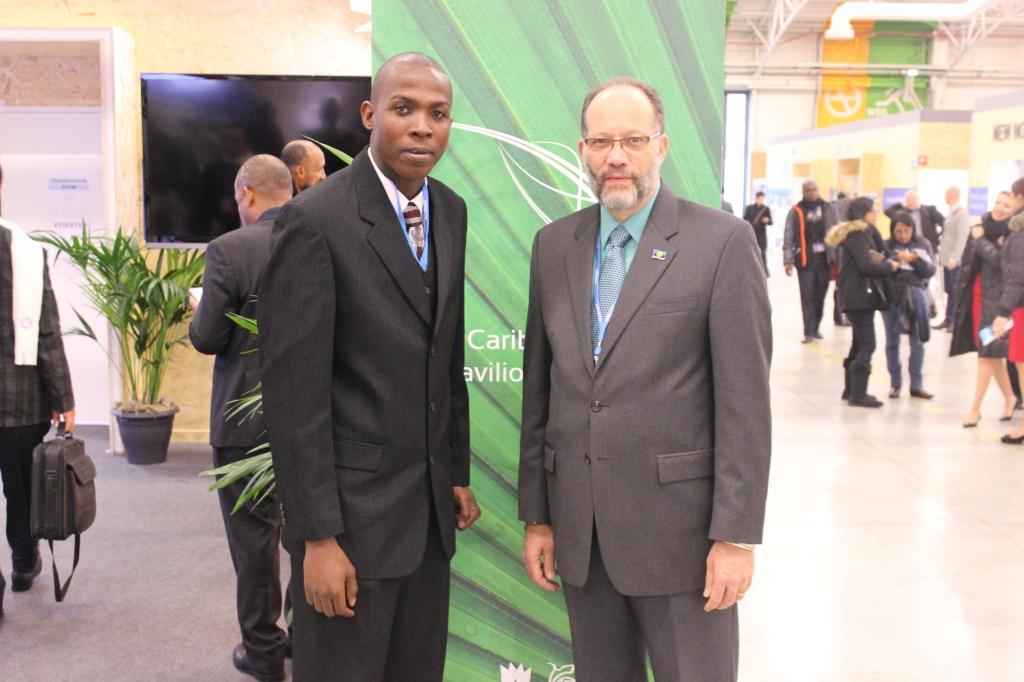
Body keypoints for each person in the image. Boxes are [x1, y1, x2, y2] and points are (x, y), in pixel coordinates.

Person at [519, 77, 771, 682]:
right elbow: (540, 389)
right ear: (582, 150)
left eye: (633, 140)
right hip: (583, 536)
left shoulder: (722, 243)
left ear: (661, 146)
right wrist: (539, 515)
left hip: (684, 543)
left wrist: (736, 536)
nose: (616, 158)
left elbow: (745, 404)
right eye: (602, 142)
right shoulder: (555, 246)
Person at [258, 53, 480, 682]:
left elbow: (445, 357)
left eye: (438, 114)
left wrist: (452, 471)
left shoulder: (452, 211)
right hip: (349, 533)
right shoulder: (314, 220)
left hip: (427, 526)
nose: (421, 127)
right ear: (369, 114)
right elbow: (293, 395)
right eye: (403, 109)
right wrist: (316, 539)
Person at [189, 155, 293, 682]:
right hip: (312, 422)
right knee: (307, 531)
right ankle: (305, 638)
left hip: (245, 422)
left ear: (248, 194)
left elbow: (208, 338)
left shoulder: (230, 250)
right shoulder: (320, 241)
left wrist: (198, 310)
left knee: (254, 544)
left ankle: (264, 652)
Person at [0, 164, 76, 616]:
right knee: (21, 488)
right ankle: (24, 562)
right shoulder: (24, 250)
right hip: (19, 398)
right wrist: (63, 398)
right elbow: (47, 333)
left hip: (20, 398)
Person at [826, 196, 900, 408]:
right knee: (868, 343)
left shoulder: (865, 233)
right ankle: (858, 393)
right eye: (872, 210)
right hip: (858, 297)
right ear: (862, 213)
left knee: (858, 343)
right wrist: (890, 266)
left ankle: (850, 389)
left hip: (859, 296)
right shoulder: (857, 235)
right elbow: (866, 265)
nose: (876, 214)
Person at [950, 191, 1017, 427]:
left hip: (997, 301)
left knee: (986, 355)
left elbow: (1002, 264)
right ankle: (1010, 397)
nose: (999, 208)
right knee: (989, 353)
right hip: (977, 296)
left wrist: (980, 241)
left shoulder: (1011, 233)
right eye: (998, 202)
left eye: (1006, 205)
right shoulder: (983, 227)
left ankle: (975, 409)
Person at [881, 212, 937, 399]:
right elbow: (880, 270)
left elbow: (930, 271)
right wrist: (895, 261)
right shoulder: (887, 246)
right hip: (892, 298)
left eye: (907, 231)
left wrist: (916, 260)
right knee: (892, 342)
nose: (903, 235)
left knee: (917, 342)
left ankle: (917, 384)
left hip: (915, 296)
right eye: (899, 231)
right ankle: (895, 383)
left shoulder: (923, 245)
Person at [784, 180, 840, 343]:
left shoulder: (829, 208)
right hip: (806, 261)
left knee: (820, 296)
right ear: (803, 192)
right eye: (808, 190)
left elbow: (837, 232)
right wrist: (788, 261)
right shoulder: (796, 211)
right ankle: (808, 331)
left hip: (825, 260)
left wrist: (838, 256)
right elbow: (789, 236)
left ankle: (816, 327)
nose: (812, 192)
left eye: (814, 189)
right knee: (807, 296)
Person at [993, 213, 1024, 443]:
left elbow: (1017, 278)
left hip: (1021, 308)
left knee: (1022, 366)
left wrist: (1003, 312)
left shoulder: (1018, 237)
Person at [934, 187, 970, 331]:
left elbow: (962, 238)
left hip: (954, 262)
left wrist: (955, 258)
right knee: (949, 290)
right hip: (946, 260)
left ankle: (955, 320)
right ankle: (948, 318)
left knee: (956, 291)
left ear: (950, 195)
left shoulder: (961, 214)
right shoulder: (951, 213)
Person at [884, 189, 945, 253]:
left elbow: (943, 222)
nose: (911, 202)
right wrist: (900, 204)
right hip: (909, 246)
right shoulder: (902, 212)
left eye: (913, 199)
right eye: (908, 200)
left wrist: (937, 238)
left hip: (926, 245)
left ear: (918, 199)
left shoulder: (928, 210)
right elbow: (887, 212)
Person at [743, 191, 772, 274]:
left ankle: (764, 270)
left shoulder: (766, 209)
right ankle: (749, 269)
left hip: (762, 234)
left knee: (763, 253)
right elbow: (745, 219)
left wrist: (767, 220)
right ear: (756, 198)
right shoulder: (750, 208)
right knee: (750, 251)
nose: (761, 201)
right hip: (752, 233)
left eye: (762, 199)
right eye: (760, 199)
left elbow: (770, 222)